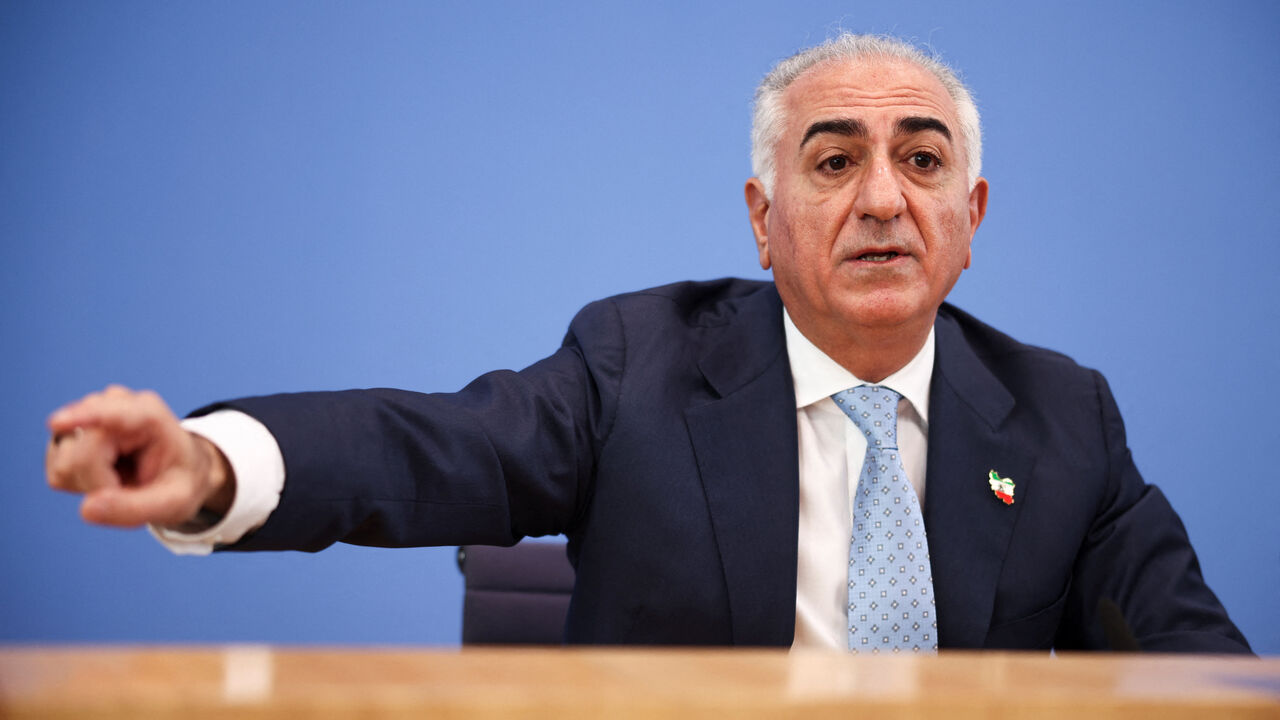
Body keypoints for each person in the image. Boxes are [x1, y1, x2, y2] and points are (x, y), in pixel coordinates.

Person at [45, 33, 1250, 653]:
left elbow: (1196, 663)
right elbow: (436, 447)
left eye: (922, 162)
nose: (882, 200)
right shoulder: (639, 365)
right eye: (833, 163)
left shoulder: (1059, 417)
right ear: (760, 221)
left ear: (968, 219)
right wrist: (211, 468)